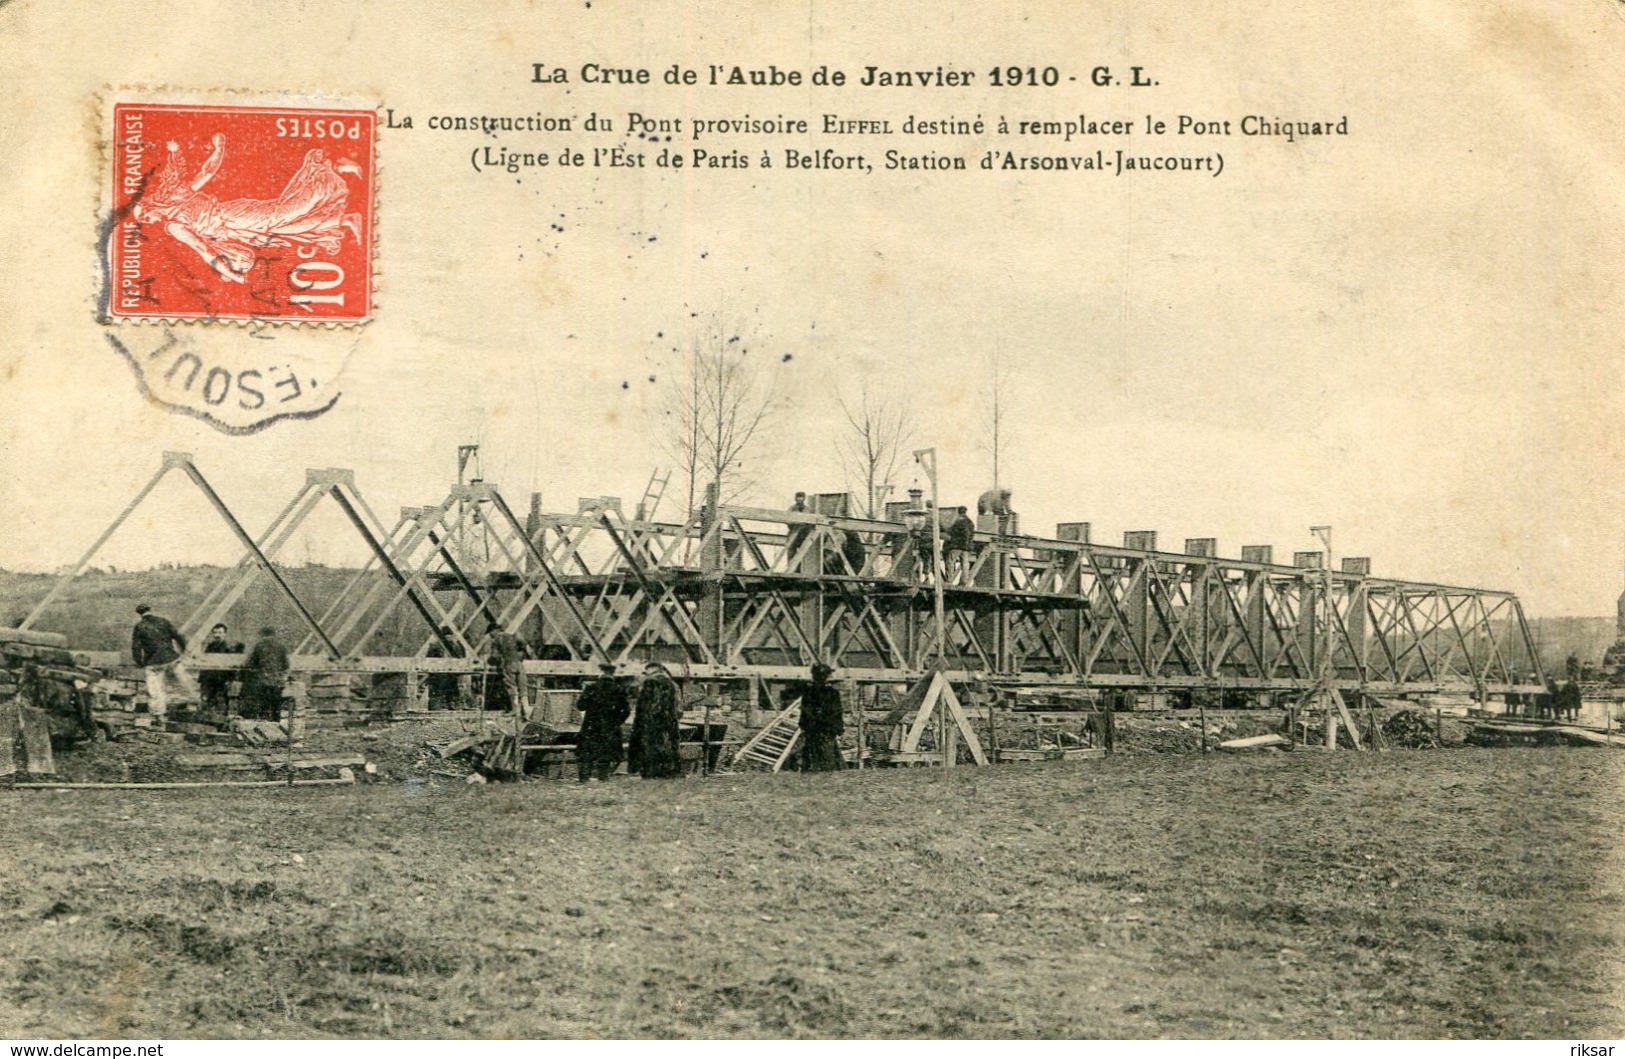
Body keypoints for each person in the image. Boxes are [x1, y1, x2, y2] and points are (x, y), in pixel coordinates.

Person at [133, 135, 363, 285]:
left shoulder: (175, 219)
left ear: (150, 206)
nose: (151, 220)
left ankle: (329, 167)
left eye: (147, 215)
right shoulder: (174, 213)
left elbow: (203, 249)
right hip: (236, 229)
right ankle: (345, 220)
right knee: (287, 228)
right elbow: (206, 246)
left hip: (233, 216)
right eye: (147, 221)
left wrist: (219, 149)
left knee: (283, 214)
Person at [130, 604, 198, 721]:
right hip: (171, 659)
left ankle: (159, 716)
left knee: (155, 690)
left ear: (140, 614)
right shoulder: (164, 621)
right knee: (182, 682)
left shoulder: (139, 626)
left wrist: (140, 662)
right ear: (151, 610)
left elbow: (136, 647)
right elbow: (178, 636)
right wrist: (183, 651)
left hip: (153, 663)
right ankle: (192, 707)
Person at [575, 662, 631, 782]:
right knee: (606, 754)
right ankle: (603, 778)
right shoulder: (619, 689)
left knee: (587, 753)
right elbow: (626, 710)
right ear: (613, 673)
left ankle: (584, 779)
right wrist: (616, 722)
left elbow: (580, 706)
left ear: (600, 673)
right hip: (610, 727)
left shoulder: (591, 688)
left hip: (591, 726)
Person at [629, 661, 683, 779]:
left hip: (651, 722)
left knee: (649, 746)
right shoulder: (674, 685)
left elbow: (644, 705)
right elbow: (679, 708)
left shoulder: (649, 682)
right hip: (669, 722)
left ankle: (650, 773)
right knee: (669, 745)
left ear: (650, 670)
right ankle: (669, 772)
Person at [798, 663, 846, 772]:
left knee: (813, 756)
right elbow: (837, 712)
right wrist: (838, 728)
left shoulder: (808, 692)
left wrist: (804, 725)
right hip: (825, 730)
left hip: (814, 729)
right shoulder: (832, 693)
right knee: (827, 757)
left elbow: (805, 712)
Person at [241, 626, 290, 721]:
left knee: (264, 708)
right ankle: (276, 728)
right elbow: (286, 665)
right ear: (274, 635)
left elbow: (250, 664)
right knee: (276, 708)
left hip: (263, 682)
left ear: (262, 635)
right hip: (277, 682)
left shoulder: (259, 645)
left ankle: (265, 728)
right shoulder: (281, 646)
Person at [487, 621, 530, 719]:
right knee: (523, 687)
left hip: (508, 664)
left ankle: (515, 710)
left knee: (512, 687)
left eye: (490, 632)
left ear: (494, 631)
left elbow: (494, 656)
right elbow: (523, 644)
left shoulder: (497, 639)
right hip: (519, 664)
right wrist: (520, 654)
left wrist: (489, 661)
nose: (490, 635)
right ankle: (527, 712)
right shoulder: (511, 636)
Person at [198, 623, 241, 714]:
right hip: (210, 681)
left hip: (222, 680)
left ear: (225, 634)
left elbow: (232, 665)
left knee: (221, 703)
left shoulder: (229, 649)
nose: (217, 635)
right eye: (215, 633)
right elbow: (204, 663)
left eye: (220, 633)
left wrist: (230, 680)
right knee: (208, 702)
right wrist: (202, 679)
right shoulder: (210, 647)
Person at [425, 626, 466, 710]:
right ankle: (441, 705)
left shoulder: (455, 646)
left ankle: (449, 704)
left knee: (449, 690)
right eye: (447, 636)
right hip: (440, 673)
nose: (449, 638)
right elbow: (429, 659)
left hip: (448, 674)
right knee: (441, 691)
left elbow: (461, 658)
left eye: (450, 636)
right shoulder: (436, 645)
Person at [945, 506, 976, 585]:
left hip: (956, 546)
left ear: (959, 512)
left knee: (950, 562)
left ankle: (949, 581)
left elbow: (950, 531)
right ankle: (964, 581)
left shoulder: (958, 521)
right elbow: (972, 534)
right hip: (966, 547)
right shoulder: (970, 522)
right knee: (965, 564)